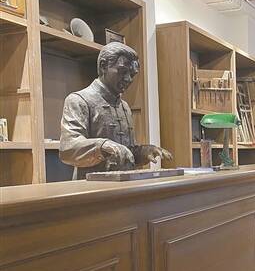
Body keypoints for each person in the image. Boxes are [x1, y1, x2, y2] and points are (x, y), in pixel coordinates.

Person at [60, 42, 172, 179]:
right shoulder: (78, 100)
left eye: (132, 74)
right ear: (103, 66)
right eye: (123, 72)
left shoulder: (124, 106)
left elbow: (126, 153)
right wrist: (103, 146)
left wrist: (143, 152)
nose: (128, 79)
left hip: (124, 186)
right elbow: (68, 148)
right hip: (92, 187)